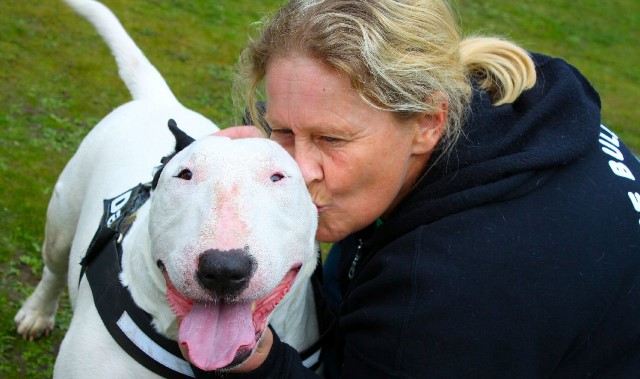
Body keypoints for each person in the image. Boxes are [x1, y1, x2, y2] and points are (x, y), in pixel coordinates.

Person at [193, 0, 640, 377]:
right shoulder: (511, 105)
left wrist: (267, 363)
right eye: (282, 129)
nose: (299, 169)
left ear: (428, 122)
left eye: (331, 140)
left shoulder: (437, 307)